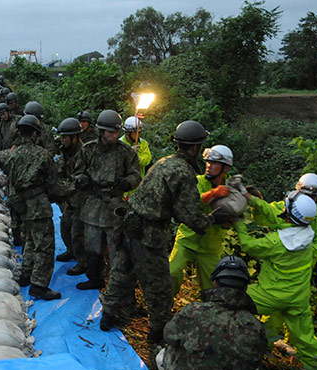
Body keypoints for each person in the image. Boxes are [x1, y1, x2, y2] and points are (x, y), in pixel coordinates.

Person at [100, 120, 223, 354]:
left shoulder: (163, 162)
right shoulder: (184, 172)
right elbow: (187, 214)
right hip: (149, 233)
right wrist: (213, 219)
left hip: (129, 224)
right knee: (159, 287)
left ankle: (108, 315)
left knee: (121, 272)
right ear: (196, 147)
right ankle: (158, 335)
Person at [159, 256, 267, 370]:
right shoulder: (255, 325)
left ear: (215, 283)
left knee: (167, 351)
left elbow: (168, 334)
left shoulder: (194, 311)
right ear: (245, 288)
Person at [234, 190, 317, 370]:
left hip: (270, 295)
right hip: (298, 297)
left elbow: (248, 245)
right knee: (306, 340)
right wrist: (252, 200)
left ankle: (235, 349)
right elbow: (278, 221)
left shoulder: (276, 243)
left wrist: (238, 223)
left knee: (230, 298)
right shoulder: (306, 234)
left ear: (289, 212)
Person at [0, 115, 64, 300]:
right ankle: (39, 285)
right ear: (35, 134)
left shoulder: (12, 155)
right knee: (45, 246)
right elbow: (54, 185)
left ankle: (26, 274)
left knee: (30, 240)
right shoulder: (43, 155)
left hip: (21, 205)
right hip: (38, 205)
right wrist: (71, 189)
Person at [72, 110, 141, 291]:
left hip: (115, 207)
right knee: (92, 248)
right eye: (110, 132)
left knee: (118, 251)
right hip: (93, 205)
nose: (114, 136)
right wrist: (81, 179)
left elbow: (136, 175)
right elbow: (76, 171)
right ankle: (95, 278)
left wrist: (127, 182)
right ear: (102, 131)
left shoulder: (125, 152)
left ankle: (120, 288)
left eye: (116, 132)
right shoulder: (88, 149)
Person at [169, 145, 233, 297]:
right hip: (187, 238)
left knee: (212, 287)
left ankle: (209, 315)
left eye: (214, 163)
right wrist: (212, 194)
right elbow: (189, 203)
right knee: (172, 272)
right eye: (207, 162)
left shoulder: (232, 189)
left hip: (210, 246)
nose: (209, 166)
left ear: (225, 168)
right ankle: (163, 308)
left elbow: (237, 212)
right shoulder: (196, 181)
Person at [54, 118, 85, 267]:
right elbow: (60, 170)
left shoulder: (83, 154)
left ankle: (82, 261)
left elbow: (77, 178)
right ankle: (71, 251)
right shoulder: (66, 151)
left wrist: (62, 191)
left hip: (81, 197)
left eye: (65, 137)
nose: (62, 140)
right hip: (70, 198)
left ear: (74, 138)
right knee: (65, 224)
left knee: (78, 231)